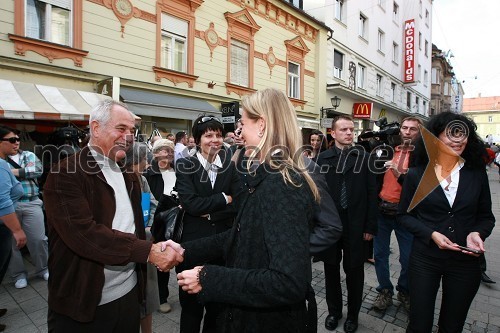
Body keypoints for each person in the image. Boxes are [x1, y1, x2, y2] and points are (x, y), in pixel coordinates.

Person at [173, 88, 319, 332]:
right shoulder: (267, 175)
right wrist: (185, 249)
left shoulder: (282, 185)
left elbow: (288, 282)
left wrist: (208, 278)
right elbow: (243, 235)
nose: (238, 131)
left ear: (261, 125)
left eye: (243, 122)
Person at [43, 100, 183, 331]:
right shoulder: (65, 173)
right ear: (96, 128)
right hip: (84, 303)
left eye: (132, 130)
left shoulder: (129, 175)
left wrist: (156, 244)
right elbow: (84, 235)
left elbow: (134, 227)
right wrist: (148, 251)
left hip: (128, 295)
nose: (129, 136)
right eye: (121, 128)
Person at [398, 111, 495, 332]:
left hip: (465, 260)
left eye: (462, 133)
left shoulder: (476, 173)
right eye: (451, 133)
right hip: (425, 258)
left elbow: (486, 217)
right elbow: (404, 216)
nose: (457, 139)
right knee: (419, 324)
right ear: (435, 137)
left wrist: (477, 233)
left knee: (452, 326)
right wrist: (430, 234)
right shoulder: (416, 174)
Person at [174, 114, 241, 333]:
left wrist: (212, 212)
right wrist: (224, 198)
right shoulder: (185, 164)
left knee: (217, 308)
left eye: (219, 135)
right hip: (194, 245)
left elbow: (239, 202)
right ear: (197, 139)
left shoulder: (230, 167)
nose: (215, 140)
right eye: (208, 135)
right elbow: (191, 204)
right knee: (191, 309)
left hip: (223, 244)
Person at [316, 115, 378, 333]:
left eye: (351, 129)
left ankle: (353, 316)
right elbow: (317, 194)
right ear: (333, 133)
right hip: (330, 225)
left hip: (356, 225)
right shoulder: (322, 158)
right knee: (330, 269)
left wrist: (370, 227)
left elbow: (372, 193)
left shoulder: (364, 157)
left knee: (355, 272)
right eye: (343, 129)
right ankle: (334, 312)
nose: (349, 133)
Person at [372, 117, 422, 312]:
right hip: (381, 211)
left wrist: (398, 172)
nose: (407, 132)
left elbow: (419, 187)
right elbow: (373, 180)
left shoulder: (421, 156)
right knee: (380, 255)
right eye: (404, 128)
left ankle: (405, 290)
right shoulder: (388, 151)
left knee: (408, 258)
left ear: (419, 133)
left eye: (412, 129)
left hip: (406, 214)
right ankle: (385, 290)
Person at [0, 126, 49, 289]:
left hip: (31, 201)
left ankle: (43, 268)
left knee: (38, 239)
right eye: (12, 140)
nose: (16, 143)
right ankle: (18, 275)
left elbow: (36, 170)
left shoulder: (28, 155)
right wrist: (19, 171)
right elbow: (27, 171)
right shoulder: (2, 160)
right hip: (10, 206)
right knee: (13, 244)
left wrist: (10, 171)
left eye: (17, 139)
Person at [124, 142, 160, 333]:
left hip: (144, 240)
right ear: (135, 160)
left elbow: (152, 204)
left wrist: (148, 226)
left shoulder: (142, 181)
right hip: (126, 245)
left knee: (147, 295)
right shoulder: (120, 181)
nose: (148, 164)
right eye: (145, 159)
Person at [144, 138, 176, 314]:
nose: (167, 153)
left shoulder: (181, 171)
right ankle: (161, 297)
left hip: (178, 220)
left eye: (170, 150)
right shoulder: (149, 174)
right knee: (160, 260)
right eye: (163, 150)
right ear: (155, 154)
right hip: (158, 224)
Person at [0, 154, 27, 332]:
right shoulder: (1, 165)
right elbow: (2, 200)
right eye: (11, 139)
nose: (16, 142)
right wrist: (17, 230)